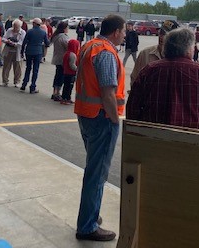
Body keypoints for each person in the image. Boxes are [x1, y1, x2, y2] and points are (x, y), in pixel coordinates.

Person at [74, 14, 126, 242]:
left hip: (86, 115)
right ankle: (87, 226)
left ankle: (90, 215)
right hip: (102, 118)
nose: (125, 35)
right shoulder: (105, 52)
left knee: (93, 169)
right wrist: (115, 120)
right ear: (116, 31)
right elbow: (107, 92)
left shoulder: (90, 46)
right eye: (124, 31)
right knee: (97, 174)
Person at [127, 27, 199, 133]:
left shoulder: (149, 71)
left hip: (154, 139)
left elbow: (132, 108)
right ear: (189, 49)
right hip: (194, 142)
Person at [130, 20, 180, 84]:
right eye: (161, 33)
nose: (161, 37)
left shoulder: (180, 58)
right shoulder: (145, 54)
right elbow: (134, 79)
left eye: (166, 35)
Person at [20, 18, 50, 93]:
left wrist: (22, 52)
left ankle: (24, 84)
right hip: (38, 52)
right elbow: (47, 43)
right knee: (35, 70)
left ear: (34, 24)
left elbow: (24, 42)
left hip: (29, 51)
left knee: (28, 68)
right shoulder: (43, 32)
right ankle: (33, 86)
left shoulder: (29, 32)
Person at [0, 19, 25, 87]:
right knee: (6, 67)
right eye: (14, 26)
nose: (15, 28)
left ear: (20, 26)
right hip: (9, 51)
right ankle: (4, 81)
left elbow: (22, 42)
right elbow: (3, 38)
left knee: (18, 68)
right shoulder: (9, 30)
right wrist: (7, 41)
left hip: (18, 52)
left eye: (17, 26)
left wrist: (14, 44)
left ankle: (17, 81)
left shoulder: (23, 32)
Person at [50, 21, 70, 101]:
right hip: (62, 59)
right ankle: (57, 93)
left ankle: (54, 92)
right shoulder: (63, 37)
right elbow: (68, 47)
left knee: (57, 75)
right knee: (61, 77)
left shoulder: (56, 36)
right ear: (64, 28)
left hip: (57, 58)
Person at [61, 38, 81, 105]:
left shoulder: (66, 53)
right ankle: (67, 99)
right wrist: (78, 69)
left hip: (66, 72)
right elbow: (72, 65)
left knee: (65, 86)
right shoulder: (73, 55)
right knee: (69, 87)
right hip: (71, 73)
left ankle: (63, 98)